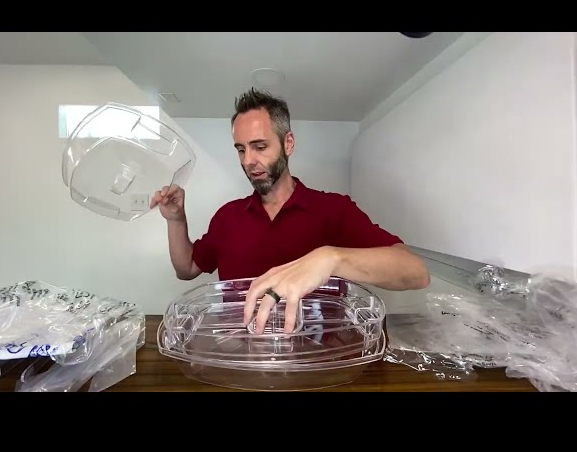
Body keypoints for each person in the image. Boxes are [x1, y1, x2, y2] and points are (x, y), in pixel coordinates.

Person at [150, 88, 430, 334]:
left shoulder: (334, 209)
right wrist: (176, 220)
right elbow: (187, 269)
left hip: (321, 358)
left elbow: (416, 272)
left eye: (260, 146)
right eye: (241, 150)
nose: (248, 161)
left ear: (288, 143)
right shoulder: (227, 217)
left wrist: (330, 258)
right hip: (241, 359)